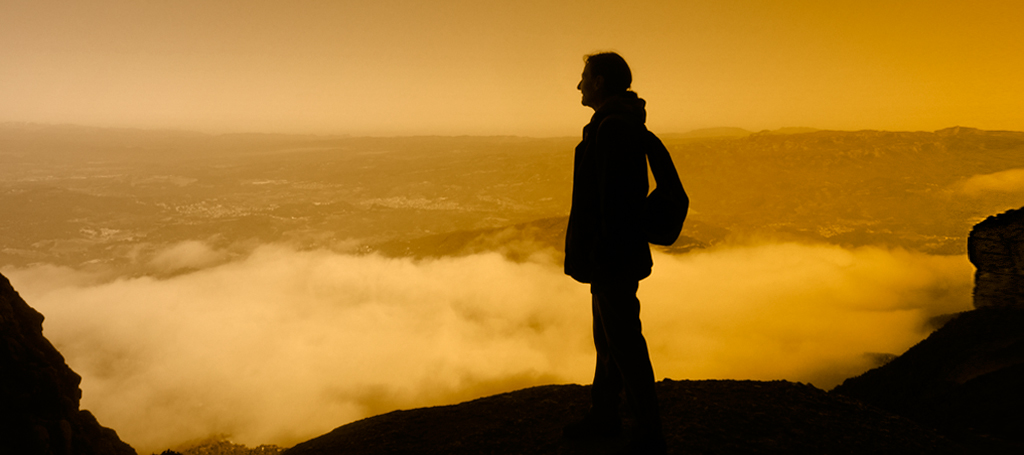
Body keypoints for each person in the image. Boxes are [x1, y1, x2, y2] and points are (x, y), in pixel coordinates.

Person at [563, 52, 667, 455]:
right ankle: (604, 414)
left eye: (584, 77)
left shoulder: (613, 129)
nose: (579, 85)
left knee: (624, 344)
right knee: (609, 342)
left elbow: (616, 203)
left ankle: (649, 433)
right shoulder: (616, 124)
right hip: (611, 256)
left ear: (600, 81)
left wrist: (601, 256)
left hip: (612, 258)